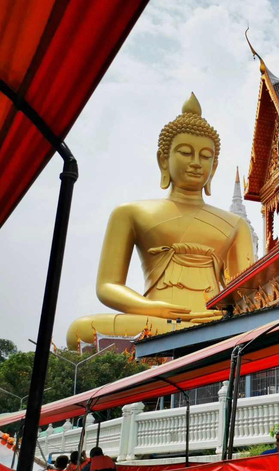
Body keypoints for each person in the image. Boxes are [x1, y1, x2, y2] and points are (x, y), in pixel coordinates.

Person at [65, 93, 254, 349]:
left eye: (206, 156)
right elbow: (107, 285)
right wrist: (153, 308)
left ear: (215, 166)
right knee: (81, 329)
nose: (196, 163)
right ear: (163, 159)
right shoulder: (130, 213)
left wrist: (227, 318)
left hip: (213, 321)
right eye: (186, 152)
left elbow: (245, 294)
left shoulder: (235, 224)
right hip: (155, 320)